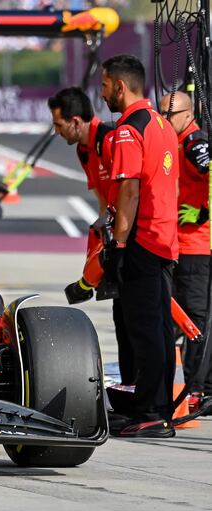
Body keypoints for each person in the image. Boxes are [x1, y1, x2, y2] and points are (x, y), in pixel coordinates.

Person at [100, 54, 179, 437]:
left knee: (144, 329)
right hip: (165, 239)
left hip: (142, 240)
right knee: (161, 329)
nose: (102, 93)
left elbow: (129, 189)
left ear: (120, 85)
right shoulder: (162, 123)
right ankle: (157, 406)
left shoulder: (130, 129)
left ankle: (151, 411)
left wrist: (118, 243)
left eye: (103, 85)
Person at [47, 88, 137, 385]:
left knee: (137, 321)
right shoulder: (84, 150)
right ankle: (130, 386)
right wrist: (97, 264)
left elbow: (131, 191)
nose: (56, 131)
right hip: (116, 238)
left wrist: (121, 242)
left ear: (75, 121)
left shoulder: (110, 139)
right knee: (121, 318)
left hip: (135, 238)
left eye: (59, 124)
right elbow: (103, 203)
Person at [160, 91, 212, 408]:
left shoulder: (196, 143)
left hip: (196, 245)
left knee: (194, 318)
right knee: (185, 316)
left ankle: (197, 389)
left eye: (170, 116)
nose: (165, 122)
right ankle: (200, 386)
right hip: (182, 243)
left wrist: (204, 212)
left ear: (187, 114)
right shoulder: (179, 141)